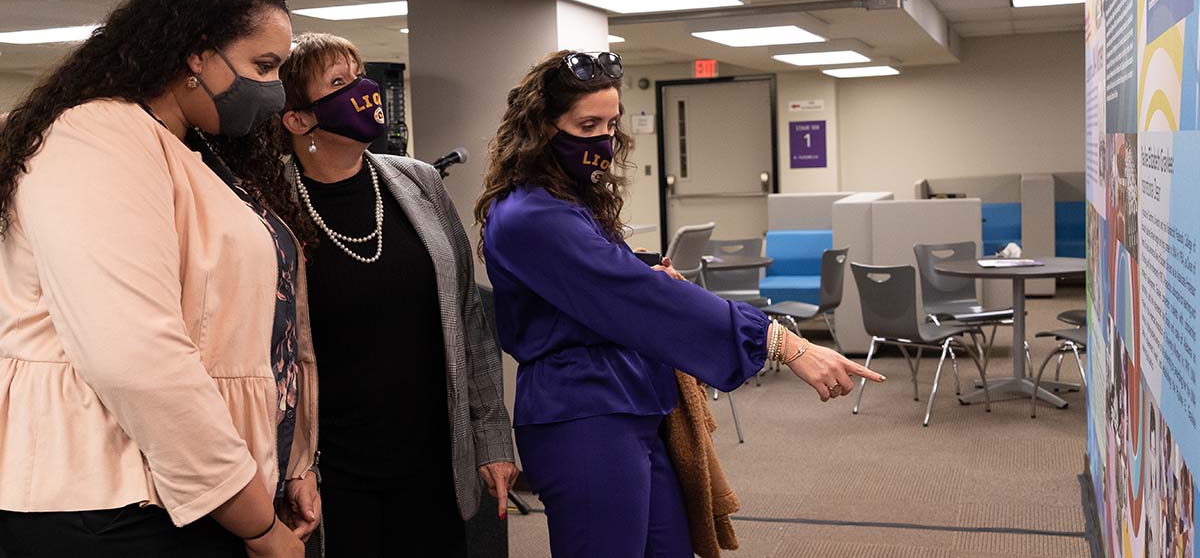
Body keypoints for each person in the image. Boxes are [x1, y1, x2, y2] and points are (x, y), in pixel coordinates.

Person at [474, 49, 885, 557]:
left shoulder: (567, 201)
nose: (603, 139)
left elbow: (606, 280)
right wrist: (779, 341)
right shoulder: (530, 215)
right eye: (587, 125)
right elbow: (635, 297)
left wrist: (637, 268)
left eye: (611, 124)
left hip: (633, 399)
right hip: (583, 411)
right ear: (541, 128)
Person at [0, 0, 318, 558]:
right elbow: (134, 355)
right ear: (197, 55)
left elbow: (258, 333)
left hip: (193, 491)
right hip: (110, 502)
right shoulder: (96, 139)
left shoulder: (190, 150)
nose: (276, 91)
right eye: (263, 66)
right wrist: (256, 522)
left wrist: (290, 462)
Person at [276, 32, 516, 557]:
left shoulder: (420, 183)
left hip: (431, 456)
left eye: (360, 76)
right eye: (339, 82)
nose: (363, 91)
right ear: (298, 120)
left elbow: (468, 318)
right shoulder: (271, 204)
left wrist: (492, 437)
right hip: (333, 468)